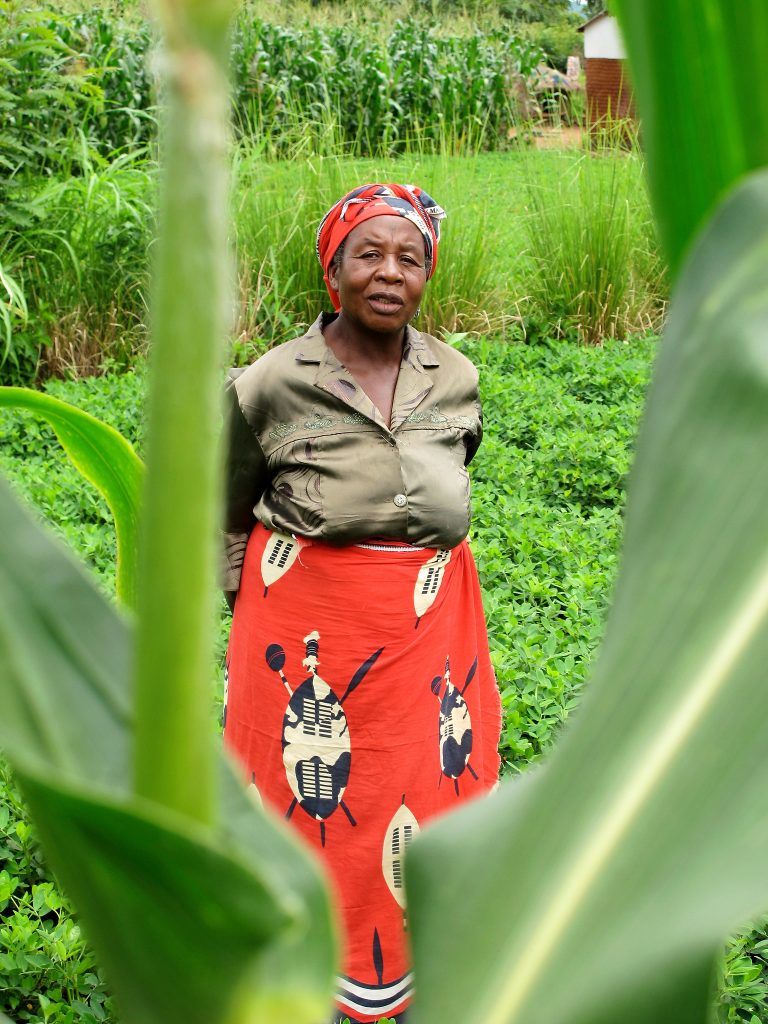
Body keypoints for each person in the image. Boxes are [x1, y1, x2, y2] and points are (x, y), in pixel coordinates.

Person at [222, 183, 501, 1024]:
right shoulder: (269, 382)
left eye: (409, 258)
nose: (389, 274)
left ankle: (418, 963)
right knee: (316, 806)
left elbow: (456, 479)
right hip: (309, 639)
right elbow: (226, 508)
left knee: (424, 787)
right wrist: (257, 609)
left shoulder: (454, 376)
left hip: (429, 640)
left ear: (428, 275)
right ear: (332, 267)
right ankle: (310, 962)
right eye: (368, 255)